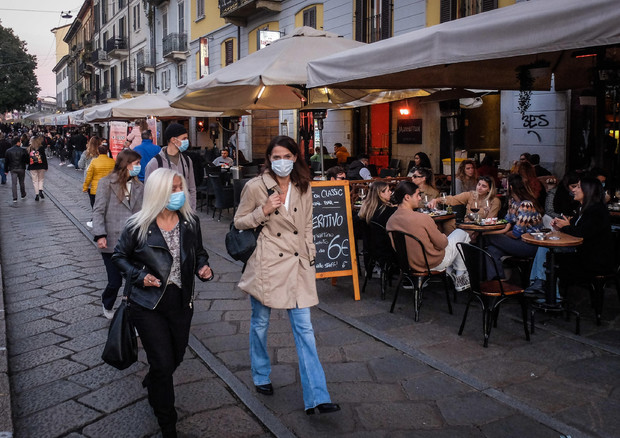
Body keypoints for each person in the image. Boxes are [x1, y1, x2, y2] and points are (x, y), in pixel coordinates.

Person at [234, 135, 340, 416]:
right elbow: (239, 221)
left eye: (286, 156)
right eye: (276, 157)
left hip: (297, 264)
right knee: (260, 323)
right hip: (268, 262)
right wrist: (264, 210)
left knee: (305, 329)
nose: (281, 161)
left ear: (295, 157)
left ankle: (317, 396)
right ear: (269, 159)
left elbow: (306, 226)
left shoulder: (304, 186)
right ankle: (260, 374)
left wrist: (310, 255)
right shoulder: (255, 186)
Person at [112, 168, 212, 437]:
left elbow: (199, 252)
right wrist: (139, 276)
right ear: (158, 193)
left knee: (175, 357)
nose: (178, 194)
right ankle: (167, 421)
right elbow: (119, 257)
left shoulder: (190, 221)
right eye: (173, 189)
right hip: (147, 304)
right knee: (164, 362)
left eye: (179, 188)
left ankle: (155, 379)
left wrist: (203, 267)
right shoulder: (138, 225)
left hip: (180, 301)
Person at [525, 177, 614, 297]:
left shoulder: (596, 211)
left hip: (592, 259)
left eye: (578, 187)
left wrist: (564, 226)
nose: (574, 190)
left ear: (588, 190)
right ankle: (543, 287)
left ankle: (545, 289)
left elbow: (581, 233)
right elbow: (576, 229)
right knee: (545, 247)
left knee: (549, 253)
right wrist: (561, 226)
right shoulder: (582, 208)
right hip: (582, 252)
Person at [386, 181, 471, 290]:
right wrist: (444, 236)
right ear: (407, 197)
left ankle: (453, 271)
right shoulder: (423, 218)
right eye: (417, 195)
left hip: (407, 264)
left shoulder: (391, 221)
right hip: (431, 263)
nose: (420, 198)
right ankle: (460, 277)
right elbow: (442, 244)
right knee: (462, 233)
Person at [92, 149, 144, 319]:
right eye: (136, 164)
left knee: (132, 279)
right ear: (126, 164)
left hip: (133, 242)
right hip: (112, 240)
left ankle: (130, 310)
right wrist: (100, 235)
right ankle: (107, 303)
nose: (139, 167)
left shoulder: (139, 186)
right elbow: (98, 210)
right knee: (115, 281)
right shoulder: (106, 183)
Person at [484, 174, 543, 280]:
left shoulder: (526, 205)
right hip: (517, 242)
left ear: (511, 187)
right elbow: (506, 221)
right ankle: (497, 283)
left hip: (530, 244)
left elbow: (516, 234)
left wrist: (502, 233)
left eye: (505, 183)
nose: (503, 185)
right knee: (491, 251)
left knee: (488, 237)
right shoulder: (513, 202)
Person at [145, 123, 197, 211]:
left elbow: (192, 188)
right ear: (173, 140)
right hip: (162, 213)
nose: (187, 141)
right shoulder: (155, 163)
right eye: (184, 138)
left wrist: (192, 210)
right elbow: (148, 192)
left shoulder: (187, 160)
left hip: (185, 211)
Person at [83, 142, 115, 208]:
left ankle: (95, 216)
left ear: (98, 151)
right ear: (107, 152)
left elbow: (89, 175)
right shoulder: (112, 162)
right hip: (108, 187)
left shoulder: (94, 161)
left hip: (96, 188)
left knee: (95, 205)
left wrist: (85, 187)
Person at [5, 135, 29, 202]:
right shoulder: (23, 150)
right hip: (21, 168)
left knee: (14, 183)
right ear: (18, 142)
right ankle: (23, 194)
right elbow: (27, 160)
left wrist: (6, 170)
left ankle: (15, 197)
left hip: (13, 168)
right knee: (21, 182)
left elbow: (6, 161)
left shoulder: (8, 151)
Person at [26, 136, 48, 201]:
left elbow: (28, 159)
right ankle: (40, 190)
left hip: (32, 166)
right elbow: (44, 158)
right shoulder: (41, 148)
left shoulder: (29, 148)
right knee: (41, 179)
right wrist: (46, 166)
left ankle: (37, 194)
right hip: (41, 166)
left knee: (35, 181)